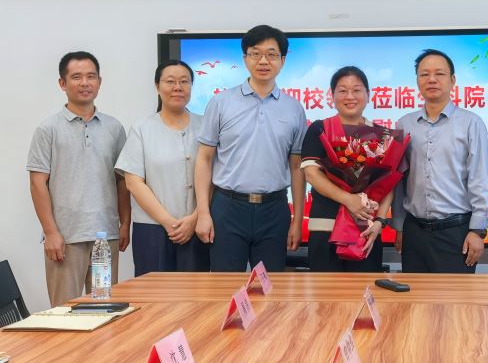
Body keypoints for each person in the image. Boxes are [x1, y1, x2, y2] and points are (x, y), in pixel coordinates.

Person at [194, 25, 306, 271]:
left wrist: (297, 220)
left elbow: (297, 167)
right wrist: (203, 212)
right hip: (228, 207)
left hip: (274, 209)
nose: (263, 61)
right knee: (224, 285)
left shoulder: (294, 109)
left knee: (269, 286)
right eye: (256, 53)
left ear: (282, 60)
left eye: (271, 54)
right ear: (245, 58)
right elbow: (204, 159)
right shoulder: (221, 102)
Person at [27, 51, 130, 306]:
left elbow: (122, 181)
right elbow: (37, 183)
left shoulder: (114, 128)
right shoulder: (48, 129)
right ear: (62, 83)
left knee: (104, 308)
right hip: (65, 239)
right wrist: (51, 233)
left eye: (91, 76)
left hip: (104, 238)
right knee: (65, 312)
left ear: (99, 82)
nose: (85, 83)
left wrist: (125, 223)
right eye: (76, 77)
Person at [392, 49, 488, 273]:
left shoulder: (471, 123)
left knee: (454, 296)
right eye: (424, 74)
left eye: (439, 73)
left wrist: (477, 231)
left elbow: (478, 179)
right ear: (417, 81)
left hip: (456, 232)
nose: (432, 79)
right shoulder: (404, 125)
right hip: (414, 232)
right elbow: (398, 181)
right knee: (415, 295)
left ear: (452, 80)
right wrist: (399, 226)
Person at [115, 60, 210, 276]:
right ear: (157, 86)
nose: (178, 87)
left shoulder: (206, 126)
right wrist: (168, 222)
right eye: (170, 81)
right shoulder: (142, 128)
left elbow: (214, 178)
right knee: (153, 293)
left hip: (196, 226)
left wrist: (196, 217)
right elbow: (133, 182)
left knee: (196, 293)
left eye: (184, 82)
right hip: (152, 228)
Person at [301, 66, 391, 272]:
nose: (350, 96)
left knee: (364, 290)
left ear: (368, 95)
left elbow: (389, 184)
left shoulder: (382, 135)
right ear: (332, 96)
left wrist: (379, 221)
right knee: (325, 291)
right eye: (342, 91)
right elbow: (312, 174)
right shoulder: (319, 129)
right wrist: (348, 199)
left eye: (357, 90)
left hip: (366, 230)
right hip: (325, 227)